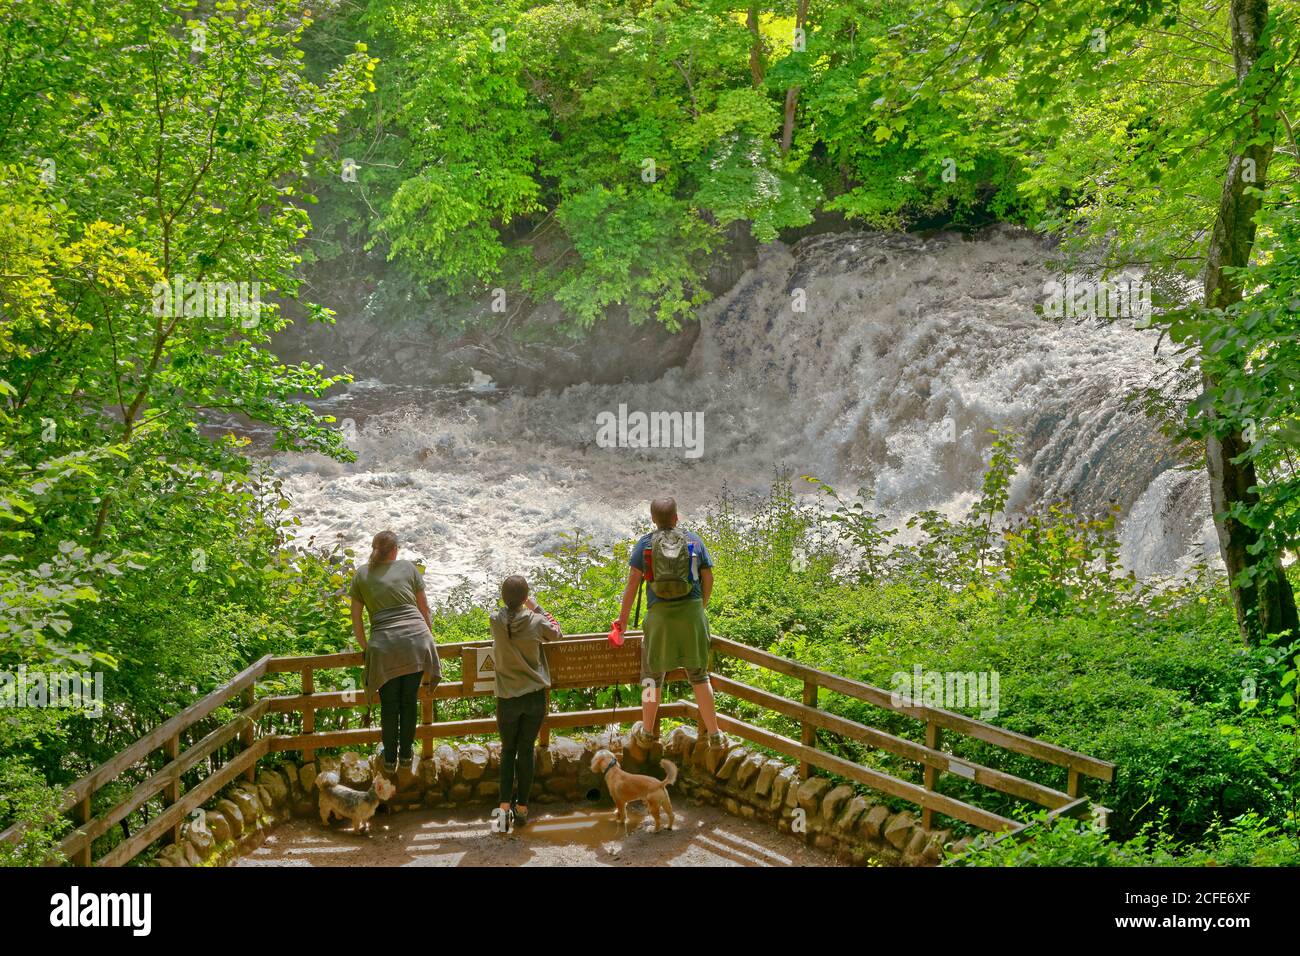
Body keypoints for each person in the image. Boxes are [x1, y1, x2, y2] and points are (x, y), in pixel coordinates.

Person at [612, 497, 726, 751]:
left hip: (659, 618)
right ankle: (715, 734)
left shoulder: (645, 544)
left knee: (651, 678)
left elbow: (632, 584)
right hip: (692, 614)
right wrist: (700, 606)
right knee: (699, 675)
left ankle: (647, 731)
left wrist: (623, 620)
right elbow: (708, 577)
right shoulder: (694, 541)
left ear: (653, 519)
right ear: (677, 518)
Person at [350, 530, 440, 774]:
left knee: (390, 704)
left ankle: (389, 759)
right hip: (415, 641)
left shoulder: (361, 575)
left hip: (385, 645)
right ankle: (407, 755)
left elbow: (356, 617)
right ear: (395, 550)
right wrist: (428, 638)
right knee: (408, 701)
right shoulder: (408, 568)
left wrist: (366, 647)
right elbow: (424, 608)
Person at [490, 575, 561, 832]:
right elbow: (557, 634)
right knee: (526, 751)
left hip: (507, 697)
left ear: (502, 597)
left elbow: (505, 617)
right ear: (525, 597)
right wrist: (537, 607)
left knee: (508, 751)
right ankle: (522, 809)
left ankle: (503, 811)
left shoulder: (495, 621)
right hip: (533, 696)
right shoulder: (536, 621)